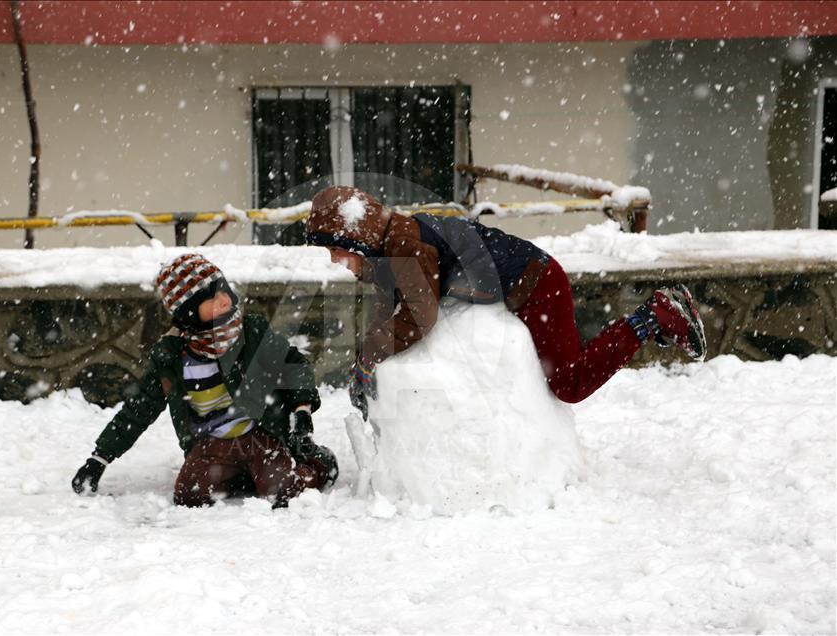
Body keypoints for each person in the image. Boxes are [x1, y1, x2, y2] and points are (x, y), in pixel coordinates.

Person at [304, 186, 706, 416]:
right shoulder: (390, 250)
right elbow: (388, 309)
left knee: (569, 383)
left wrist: (370, 357)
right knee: (568, 378)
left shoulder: (407, 245)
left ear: (356, 239)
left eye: (335, 251)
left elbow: (419, 316)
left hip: (538, 285)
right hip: (527, 283)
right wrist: (365, 360)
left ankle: (655, 315)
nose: (335, 261)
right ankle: (655, 315)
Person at [71, 253, 337, 508]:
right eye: (210, 298)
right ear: (188, 312)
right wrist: (99, 458)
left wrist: (302, 408)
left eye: (223, 289)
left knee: (282, 491)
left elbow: (294, 367)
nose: (224, 300)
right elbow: (139, 408)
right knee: (189, 495)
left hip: (260, 435)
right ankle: (242, 475)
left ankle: (314, 467)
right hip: (211, 445)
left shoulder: (251, 333)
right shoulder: (171, 358)